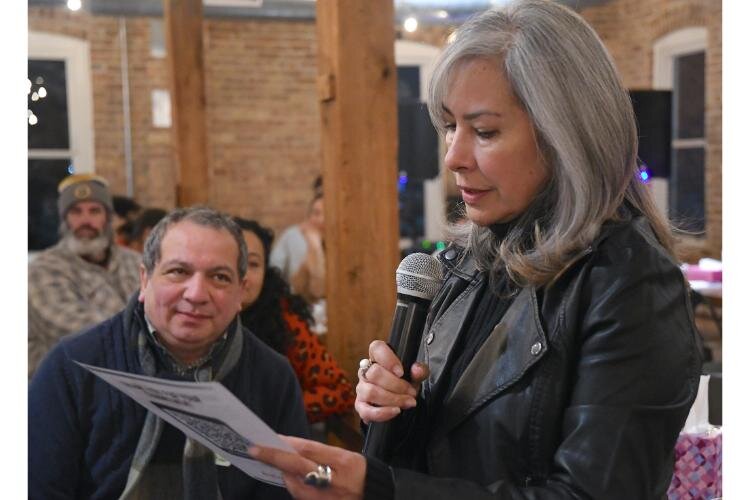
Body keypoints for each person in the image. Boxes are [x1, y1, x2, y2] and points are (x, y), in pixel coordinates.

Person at [248, 1, 703, 499]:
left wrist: (383, 489)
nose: (453, 158)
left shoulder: (629, 283)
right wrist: (392, 411)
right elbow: (447, 454)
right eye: (449, 126)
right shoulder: (462, 263)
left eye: (484, 132)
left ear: (566, 135)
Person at [28, 206, 309, 499]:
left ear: (241, 292)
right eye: (178, 272)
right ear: (145, 279)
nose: (197, 294)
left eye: (220, 277)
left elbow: (288, 491)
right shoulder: (74, 367)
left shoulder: (272, 377)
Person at [234, 217, 355, 424]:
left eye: (253, 264)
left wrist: (275, 412)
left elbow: (339, 390)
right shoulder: (196, 321)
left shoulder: (282, 319)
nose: (243, 275)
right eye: (232, 263)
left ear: (266, 271)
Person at [28, 174, 142, 377]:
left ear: (107, 218)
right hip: (67, 387)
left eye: (94, 211)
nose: (85, 221)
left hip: (132, 379)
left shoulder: (135, 262)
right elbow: (81, 332)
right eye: (76, 211)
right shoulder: (44, 269)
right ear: (65, 219)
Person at [270, 178, 326, 305]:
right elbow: (275, 274)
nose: (320, 219)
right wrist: (315, 248)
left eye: (324, 213)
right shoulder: (294, 235)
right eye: (315, 213)